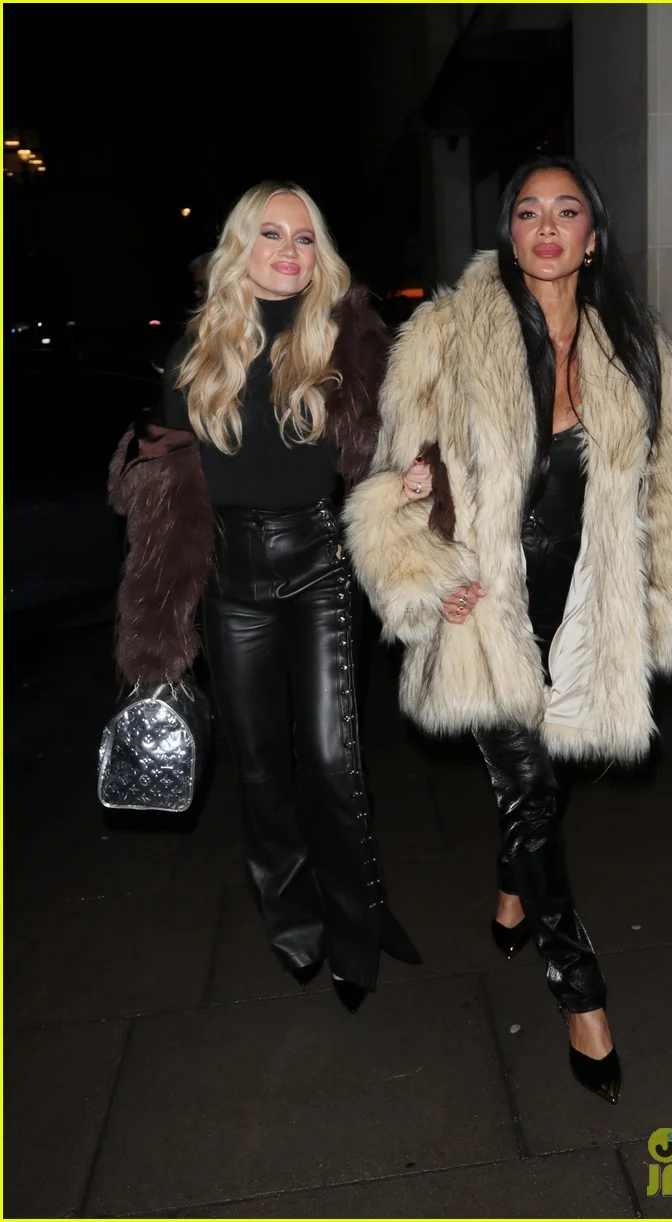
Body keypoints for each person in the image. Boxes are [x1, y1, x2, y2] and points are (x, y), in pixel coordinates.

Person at [344, 155, 672, 1099]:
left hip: (589, 605)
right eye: (528, 212)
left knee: (553, 783)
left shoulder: (640, 349)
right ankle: (578, 989)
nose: (546, 227)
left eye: (566, 211)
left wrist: (659, 611)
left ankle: (513, 877)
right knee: (533, 793)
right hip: (486, 608)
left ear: (592, 236)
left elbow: (670, 499)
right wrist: (423, 571)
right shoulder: (444, 335)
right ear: (508, 232)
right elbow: (390, 482)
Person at [108, 181, 421, 1013]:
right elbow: (164, 498)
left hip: (320, 564)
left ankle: (356, 922)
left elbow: (392, 443)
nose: (289, 250)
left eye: (305, 236)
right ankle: (292, 918)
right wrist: (158, 616)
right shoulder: (194, 352)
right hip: (230, 578)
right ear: (240, 248)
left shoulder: (349, 340)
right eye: (271, 234)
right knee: (259, 766)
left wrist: (412, 475)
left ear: (321, 253)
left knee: (332, 758)